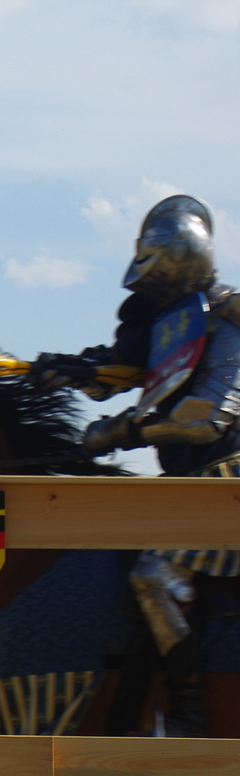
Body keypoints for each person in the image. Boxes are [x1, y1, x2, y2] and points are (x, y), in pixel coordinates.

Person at [29, 195, 240, 655]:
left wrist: (119, 433)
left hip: (231, 478)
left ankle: (186, 708)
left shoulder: (228, 317)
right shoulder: (174, 318)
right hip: (191, 481)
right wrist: (69, 370)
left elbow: (206, 418)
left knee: (153, 577)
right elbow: (125, 369)